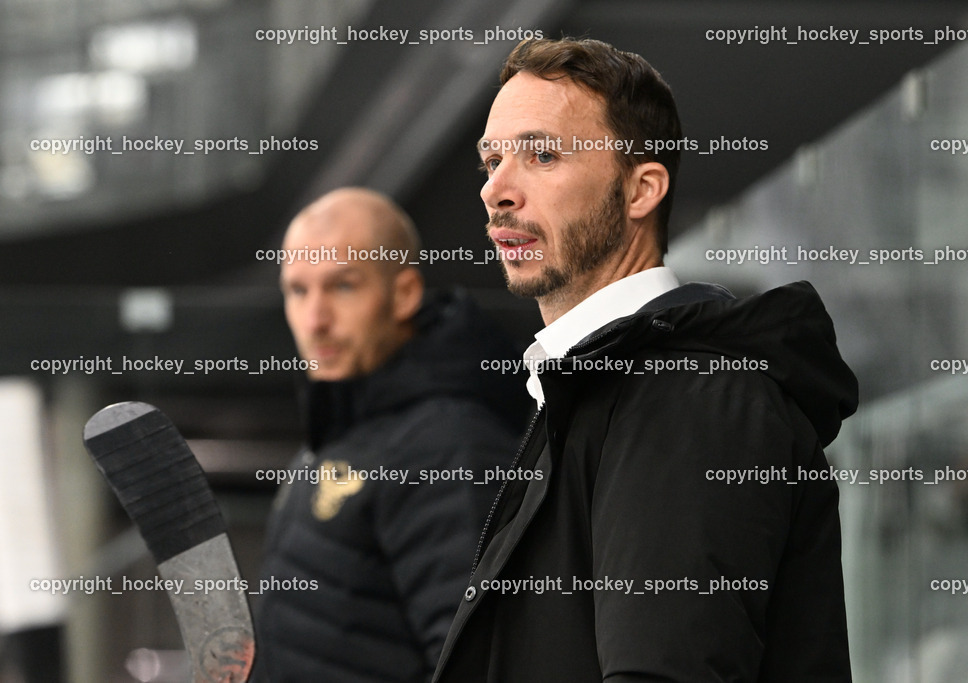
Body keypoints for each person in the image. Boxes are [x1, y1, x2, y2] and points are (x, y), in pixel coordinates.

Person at [431, 38, 859, 682]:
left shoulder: (685, 395)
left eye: (542, 155)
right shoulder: (601, 389)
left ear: (641, 190)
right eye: (492, 160)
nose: (497, 190)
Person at [254, 187, 528, 682]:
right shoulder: (345, 418)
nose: (315, 320)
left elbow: (484, 667)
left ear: (404, 294)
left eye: (343, 286)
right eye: (298, 291)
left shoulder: (449, 446)